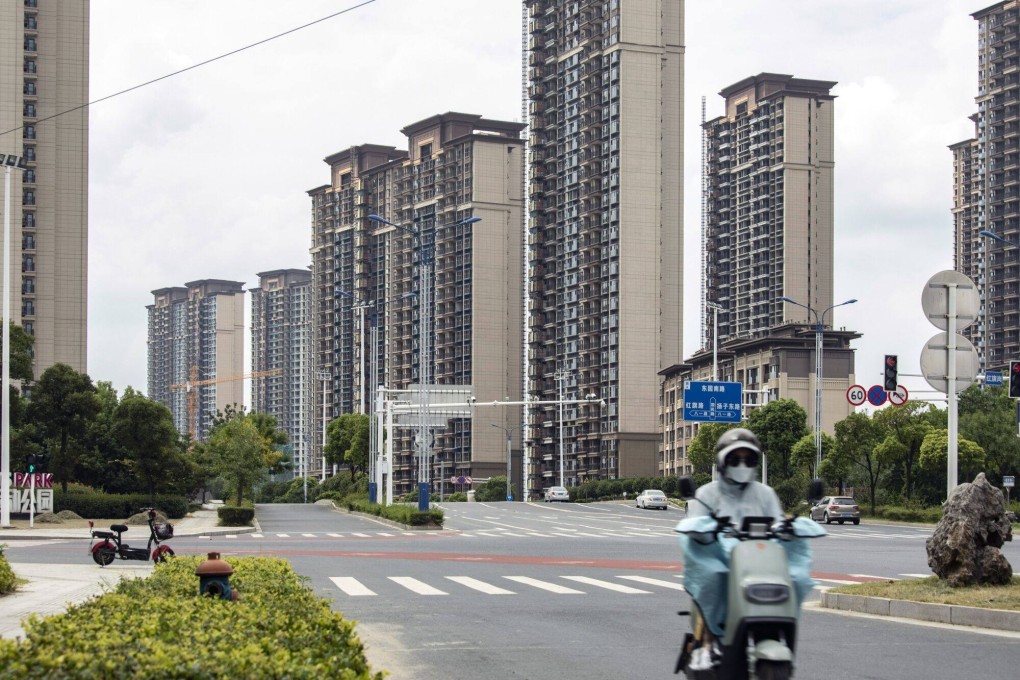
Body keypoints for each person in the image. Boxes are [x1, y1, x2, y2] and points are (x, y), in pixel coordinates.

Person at [687, 427, 783, 524]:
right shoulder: (705, 495)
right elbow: (689, 533)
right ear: (722, 462)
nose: (742, 466)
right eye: (734, 460)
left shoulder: (766, 494)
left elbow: (779, 525)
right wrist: (702, 530)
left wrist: (793, 530)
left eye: (749, 460)